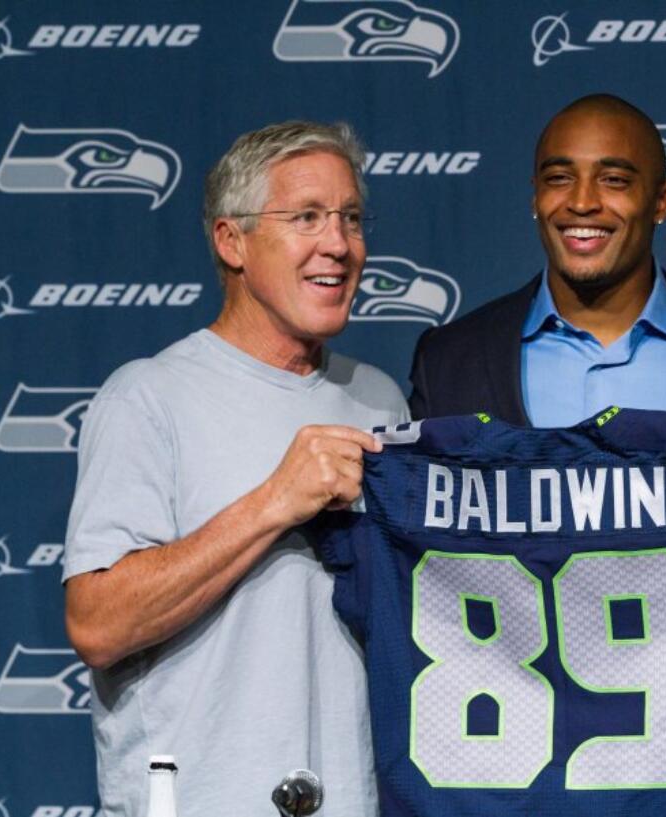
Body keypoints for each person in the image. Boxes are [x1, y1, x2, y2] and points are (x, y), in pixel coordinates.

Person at [62, 121, 407, 817]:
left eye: (350, 219)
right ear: (232, 241)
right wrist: (276, 500)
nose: (338, 244)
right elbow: (96, 623)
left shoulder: (380, 398)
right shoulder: (147, 397)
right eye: (306, 217)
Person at [407, 93, 666, 425]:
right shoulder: (447, 360)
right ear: (535, 197)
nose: (581, 203)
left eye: (614, 180)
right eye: (559, 178)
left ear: (662, 202)